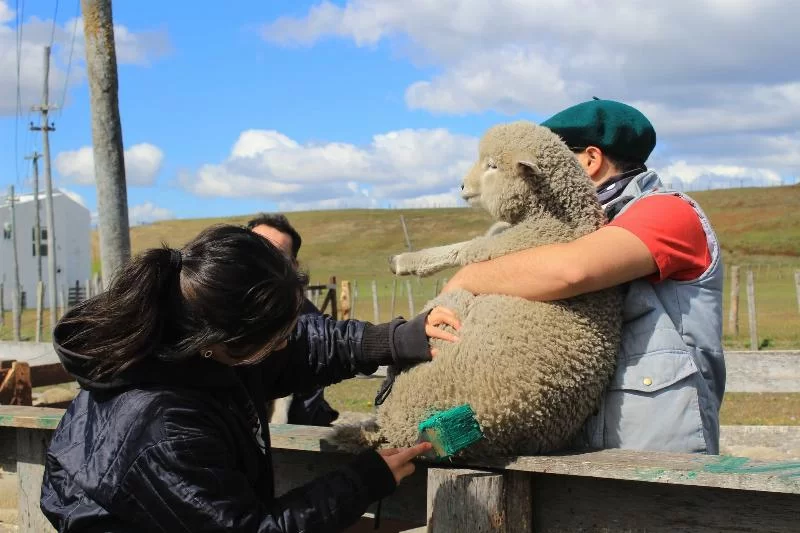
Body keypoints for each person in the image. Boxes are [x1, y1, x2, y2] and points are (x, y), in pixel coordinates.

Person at [40, 224, 461, 532]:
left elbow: (306, 347)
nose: (285, 345)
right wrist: (363, 480)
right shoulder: (166, 428)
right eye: (277, 337)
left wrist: (392, 338)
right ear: (226, 342)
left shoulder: (188, 344)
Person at [442, 98, 725, 454]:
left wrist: (467, 278)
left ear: (590, 160)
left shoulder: (667, 212)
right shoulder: (569, 228)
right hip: (567, 453)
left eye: (549, 157)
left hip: (651, 462)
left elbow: (571, 270)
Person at [247, 213, 339, 427]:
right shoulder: (213, 305)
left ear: (293, 266)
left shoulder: (311, 322)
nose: (263, 261)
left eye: (276, 255)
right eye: (255, 249)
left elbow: (306, 406)